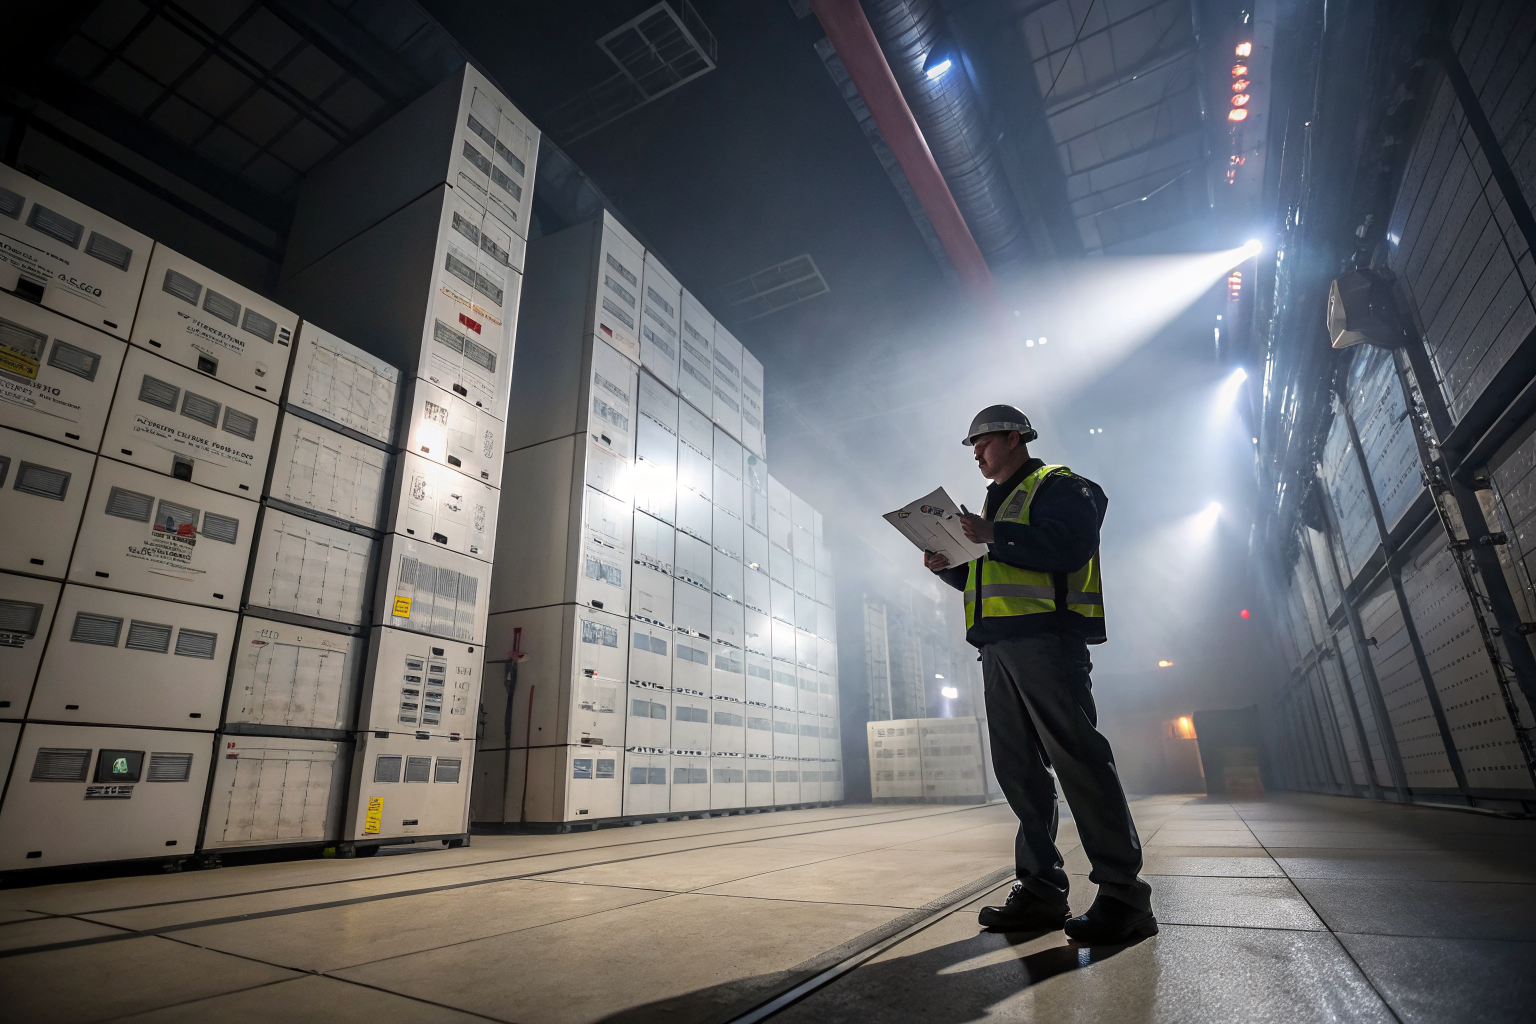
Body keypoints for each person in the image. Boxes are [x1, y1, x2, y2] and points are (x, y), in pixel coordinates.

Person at [925, 404, 1155, 944]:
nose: (976, 455)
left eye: (982, 443)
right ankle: (1041, 890)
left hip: (1048, 643)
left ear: (1013, 438)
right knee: (1018, 770)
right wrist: (951, 566)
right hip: (999, 650)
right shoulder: (991, 508)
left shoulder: (1063, 486)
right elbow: (991, 574)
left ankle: (1125, 896)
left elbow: (1069, 546)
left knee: (1079, 761)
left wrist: (991, 533)